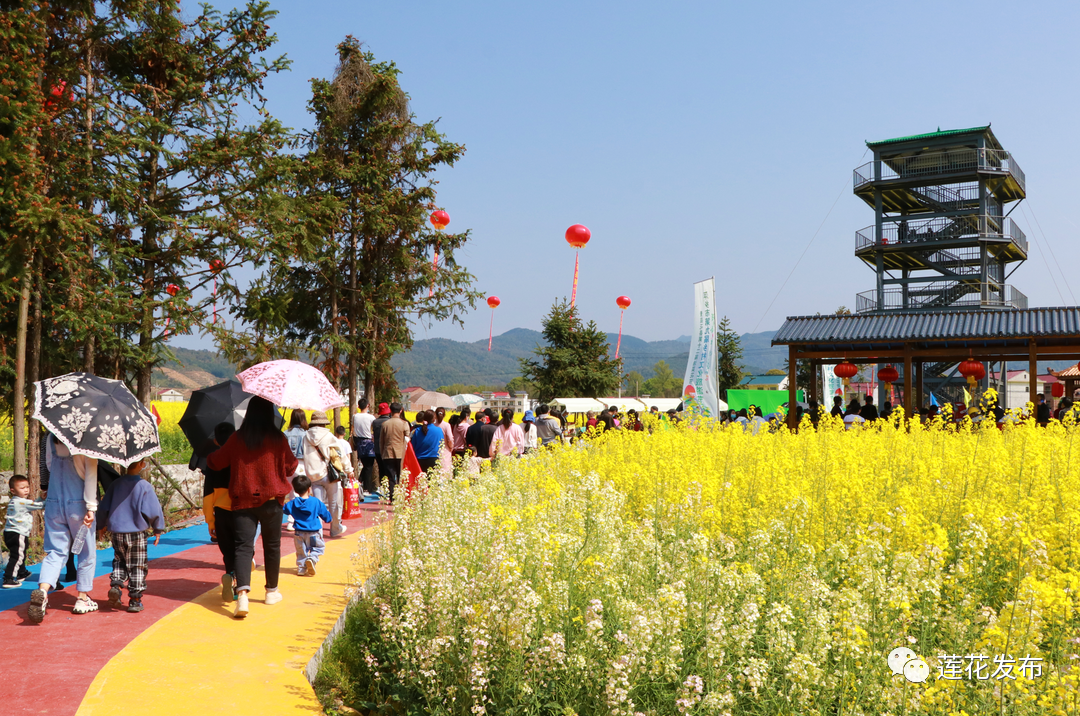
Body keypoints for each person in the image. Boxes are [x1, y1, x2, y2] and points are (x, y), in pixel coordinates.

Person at [206, 396, 297, 619]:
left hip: (242, 501)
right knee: (272, 546)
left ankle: (243, 594)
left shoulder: (238, 438)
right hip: (271, 502)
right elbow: (291, 467)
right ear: (270, 414)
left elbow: (216, 462)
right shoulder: (278, 438)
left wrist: (210, 454)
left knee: (243, 547)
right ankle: (271, 591)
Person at [30, 435, 99, 622]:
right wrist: (91, 507)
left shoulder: (51, 437)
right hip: (78, 502)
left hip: (54, 501)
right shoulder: (88, 438)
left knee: (55, 551)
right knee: (86, 551)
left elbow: (49, 467)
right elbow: (91, 476)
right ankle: (82, 598)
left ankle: (43, 590)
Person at [97, 459, 166, 613]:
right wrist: (157, 528)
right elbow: (154, 510)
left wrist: (100, 525)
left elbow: (104, 507)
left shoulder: (115, 484)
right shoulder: (144, 486)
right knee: (137, 565)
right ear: (142, 464)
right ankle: (135, 599)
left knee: (119, 560)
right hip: (137, 533)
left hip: (117, 533)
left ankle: (116, 584)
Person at [203, 423, 239, 601]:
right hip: (241, 511)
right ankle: (240, 585)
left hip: (221, 513)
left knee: (228, 551)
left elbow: (208, 494)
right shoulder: (241, 457)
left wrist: (210, 521)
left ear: (216, 440)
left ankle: (229, 574)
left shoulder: (213, 461)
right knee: (242, 548)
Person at [303, 412, 347, 539]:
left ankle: (318, 532)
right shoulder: (329, 436)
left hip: (314, 475)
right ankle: (335, 528)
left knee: (317, 504)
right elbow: (340, 454)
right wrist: (348, 469)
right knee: (333, 503)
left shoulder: (306, 436)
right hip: (330, 475)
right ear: (324, 423)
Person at [282, 474, 331, 577]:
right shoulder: (316, 502)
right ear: (309, 489)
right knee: (318, 548)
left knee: (301, 551)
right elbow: (325, 514)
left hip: (299, 532)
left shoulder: (292, 503)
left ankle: (301, 568)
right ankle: (312, 559)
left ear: (295, 490)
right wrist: (328, 519)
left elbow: (284, 509)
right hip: (314, 531)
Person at [3, 474, 44, 588]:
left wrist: (41, 497)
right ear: (13, 490)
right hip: (17, 533)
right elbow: (39, 505)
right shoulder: (21, 502)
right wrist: (47, 499)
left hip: (12, 532)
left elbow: (33, 504)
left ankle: (21, 572)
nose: (26, 490)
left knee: (20, 553)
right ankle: (8, 578)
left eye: (27, 487)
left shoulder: (16, 501)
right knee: (17, 556)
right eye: (22, 488)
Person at [378, 403, 411, 499]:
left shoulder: (385, 424)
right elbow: (408, 440)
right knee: (401, 476)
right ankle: (402, 496)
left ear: (390, 411)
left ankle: (393, 497)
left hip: (388, 454)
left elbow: (381, 441)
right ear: (401, 411)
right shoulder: (404, 424)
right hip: (401, 454)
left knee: (391, 477)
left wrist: (382, 453)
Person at [351, 399, 377, 494]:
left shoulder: (355, 416)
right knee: (369, 466)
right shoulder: (371, 417)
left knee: (365, 465)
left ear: (358, 406)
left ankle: (359, 482)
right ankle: (367, 488)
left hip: (359, 442)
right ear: (368, 405)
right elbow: (373, 429)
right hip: (369, 442)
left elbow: (353, 428)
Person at [410, 410, 444, 475]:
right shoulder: (439, 430)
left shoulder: (417, 430)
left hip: (419, 460)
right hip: (434, 459)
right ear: (434, 419)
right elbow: (441, 444)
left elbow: (413, 446)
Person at [371, 403, 392, 495]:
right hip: (387, 449)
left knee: (381, 469)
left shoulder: (375, 422)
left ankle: (383, 488)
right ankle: (389, 488)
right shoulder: (389, 421)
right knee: (389, 470)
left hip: (377, 449)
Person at [434, 407, 454, 476]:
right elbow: (450, 438)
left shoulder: (433, 425)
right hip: (445, 450)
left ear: (435, 415)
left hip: (435, 450)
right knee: (445, 471)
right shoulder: (446, 425)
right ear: (444, 415)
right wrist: (451, 447)